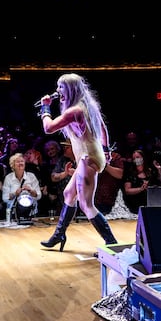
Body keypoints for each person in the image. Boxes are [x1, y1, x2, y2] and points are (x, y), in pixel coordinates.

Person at [37, 73, 117, 250]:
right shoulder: (88, 105)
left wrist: (45, 109)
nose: (58, 91)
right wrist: (106, 150)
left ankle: (112, 244)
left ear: (71, 90)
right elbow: (103, 129)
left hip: (89, 158)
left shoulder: (75, 111)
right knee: (68, 194)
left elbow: (49, 128)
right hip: (89, 156)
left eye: (61, 87)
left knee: (86, 205)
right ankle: (59, 235)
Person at [1, 153, 41, 222]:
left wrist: (31, 191)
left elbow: (39, 195)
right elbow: (5, 198)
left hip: (30, 213)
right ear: (13, 165)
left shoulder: (31, 176)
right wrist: (15, 194)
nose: (20, 163)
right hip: (14, 214)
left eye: (22, 161)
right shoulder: (8, 178)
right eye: (18, 162)